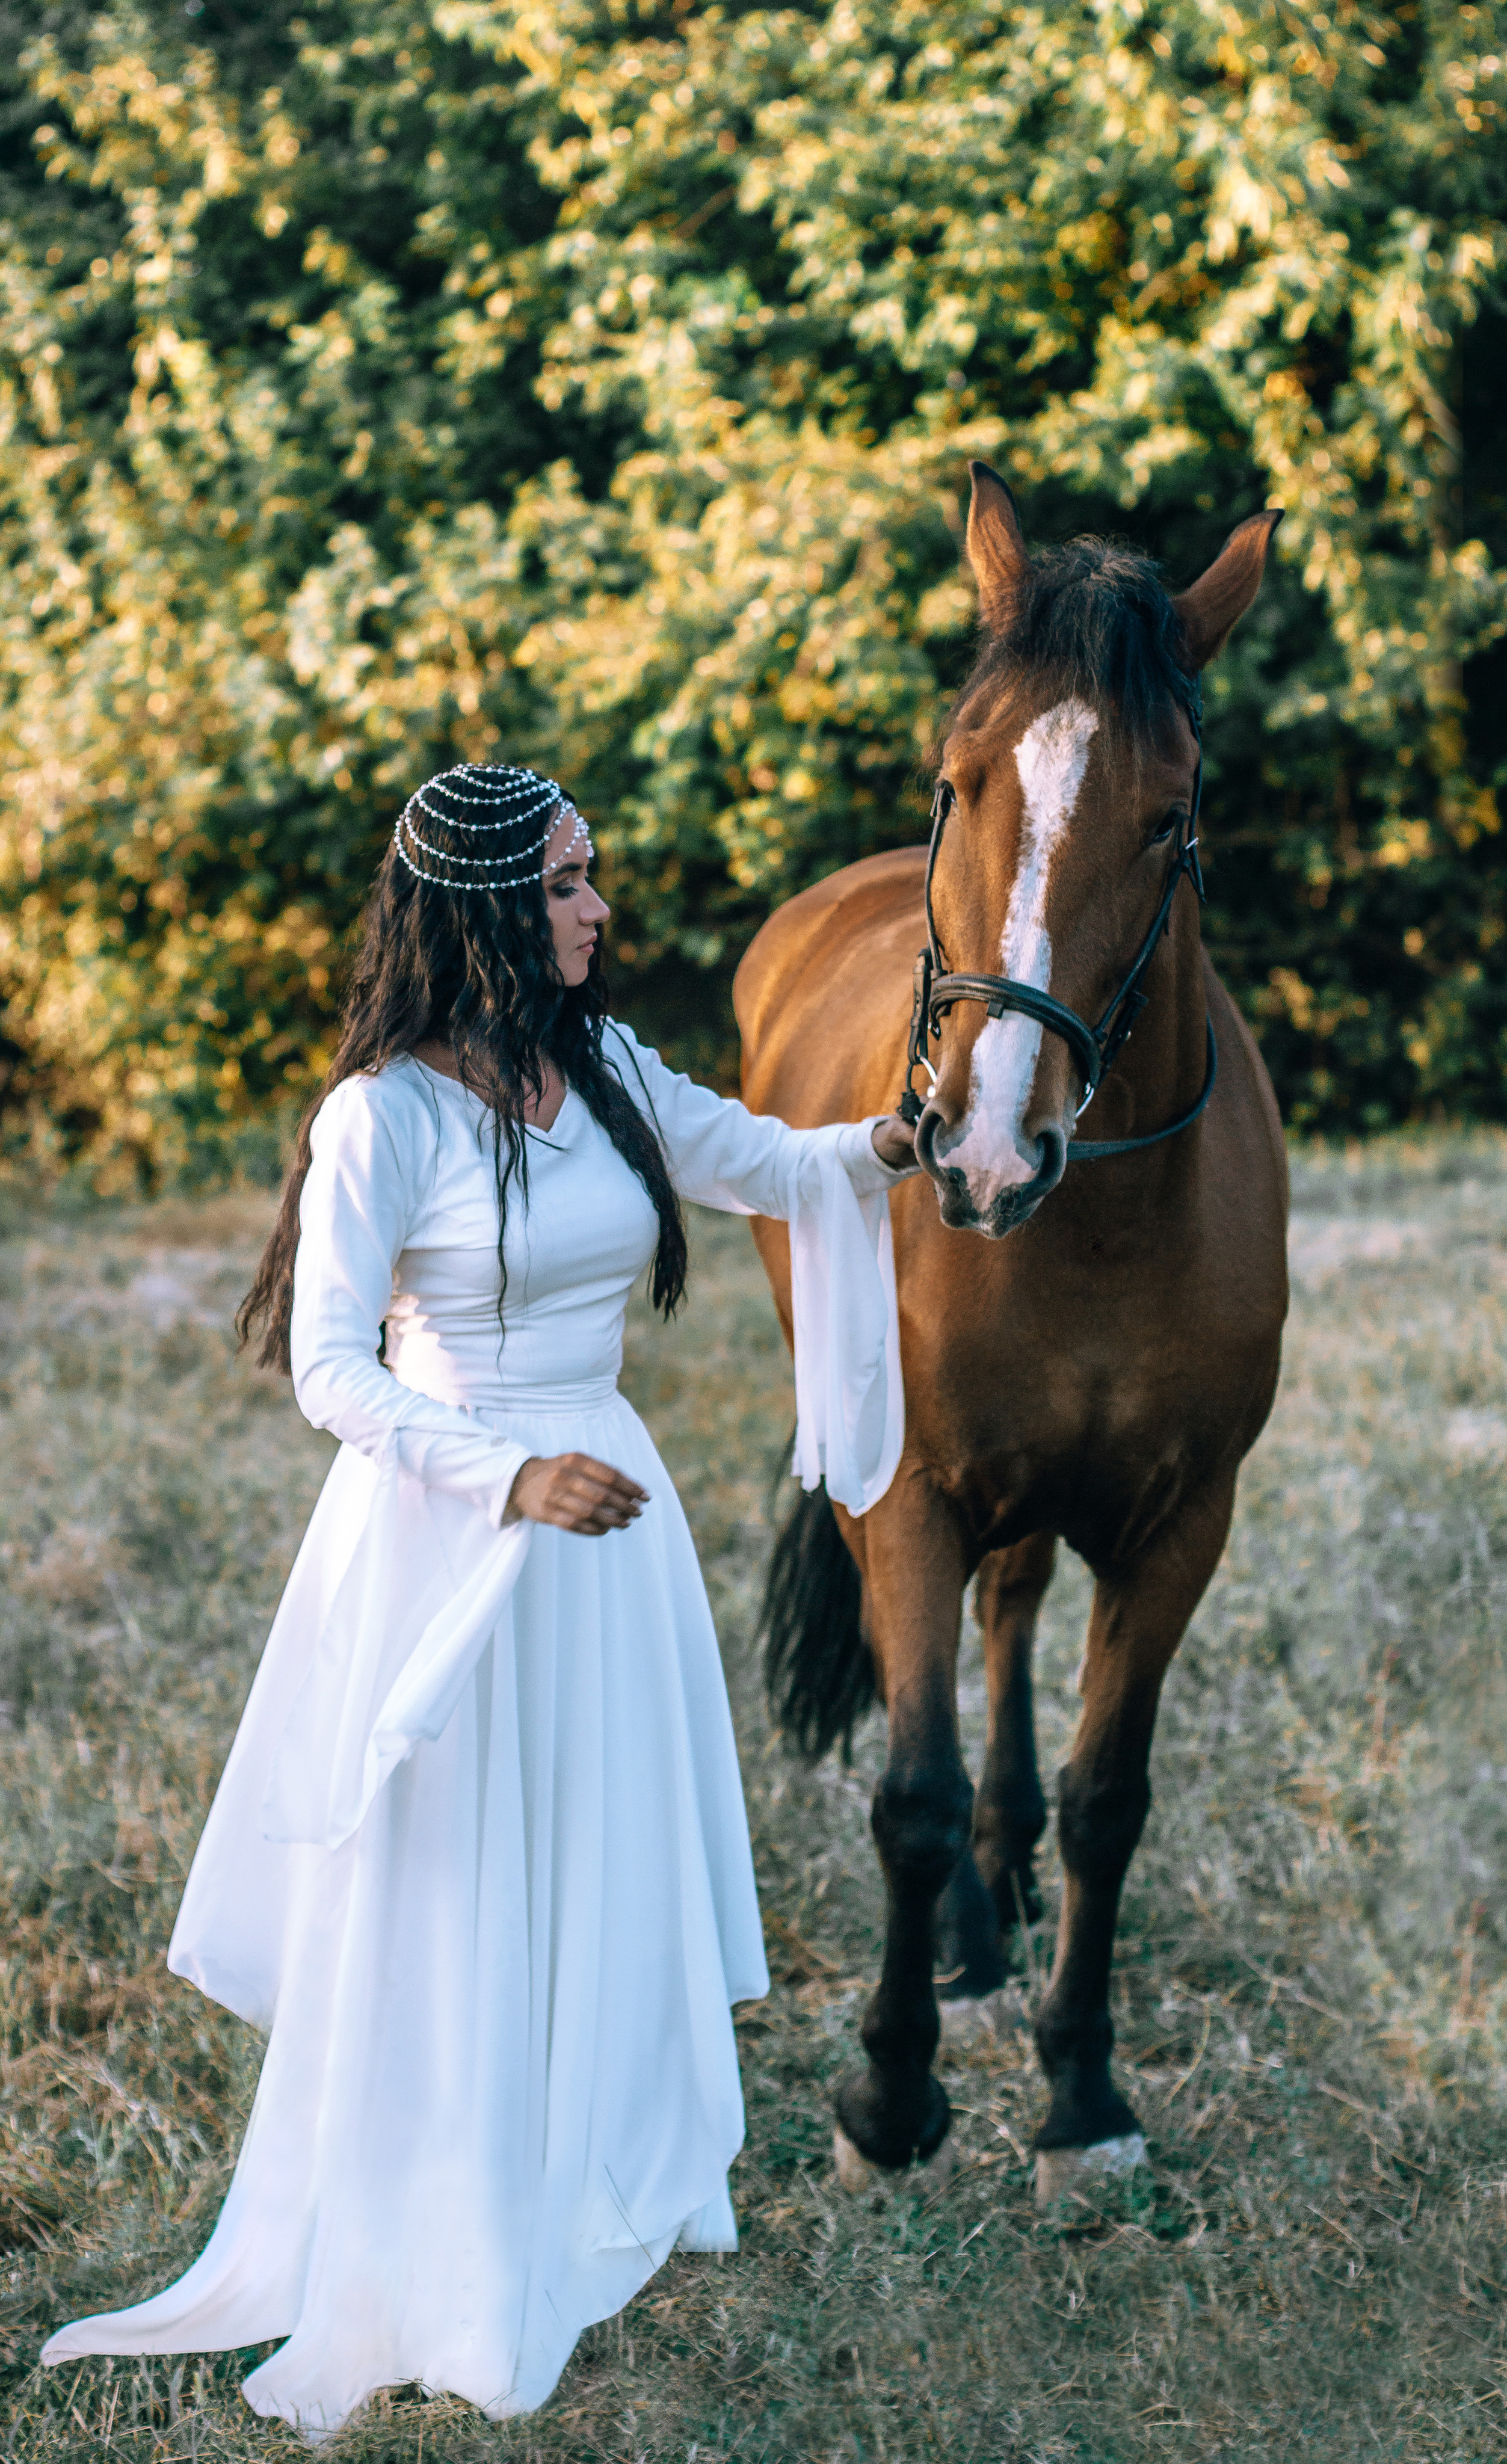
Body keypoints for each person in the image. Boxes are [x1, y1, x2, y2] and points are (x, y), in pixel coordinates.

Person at [43, 763, 917, 2436]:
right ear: (489, 912)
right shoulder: (384, 1114)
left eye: (593, 881)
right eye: (571, 887)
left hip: (610, 1525)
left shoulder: (601, 1073)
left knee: (589, 1852)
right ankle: (439, 2234)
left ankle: (575, 2164)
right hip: (450, 1527)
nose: (601, 913)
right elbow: (323, 1366)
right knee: (450, 1880)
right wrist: (500, 1474)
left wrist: (901, 1138)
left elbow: (762, 1158)